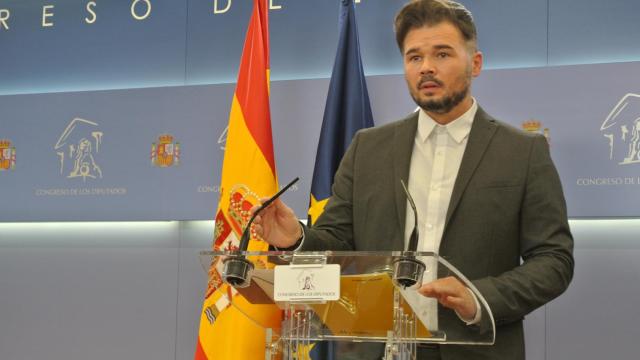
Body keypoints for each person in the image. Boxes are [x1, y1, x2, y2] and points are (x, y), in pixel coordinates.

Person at [252, 0, 574, 358]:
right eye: (415, 57)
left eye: (442, 54)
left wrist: (478, 297)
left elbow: (553, 259)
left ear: (476, 64)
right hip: (375, 348)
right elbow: (337, 243)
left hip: (473, 347)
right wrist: (295, 239)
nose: (427, 68)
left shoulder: (522, 152)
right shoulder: (367, 148)